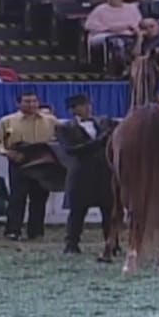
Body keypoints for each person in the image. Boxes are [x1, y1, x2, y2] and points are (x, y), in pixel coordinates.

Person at [0, 92, 59, 241]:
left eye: (34, 101)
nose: (31, 105)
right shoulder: (7, 121)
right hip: (20, 161)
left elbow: (61, 138)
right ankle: (13, 231)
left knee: (39, 198)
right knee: (17, 198)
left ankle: (36, 232)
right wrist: (7, 153)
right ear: (18, 104)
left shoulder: (51, 121)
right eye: (27, 102)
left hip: (43, 162)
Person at [56, 94, 118, 255]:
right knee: (77, 212)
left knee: (109, 210)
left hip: (104, 173)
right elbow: (71, 150)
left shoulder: (103, 122)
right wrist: (98, 142)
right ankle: (72, 244)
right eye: (82, 105)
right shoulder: (64, 128)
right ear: (74, 109)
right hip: (81, 174)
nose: (87, 108)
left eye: (88, 104)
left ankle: (112, 242)